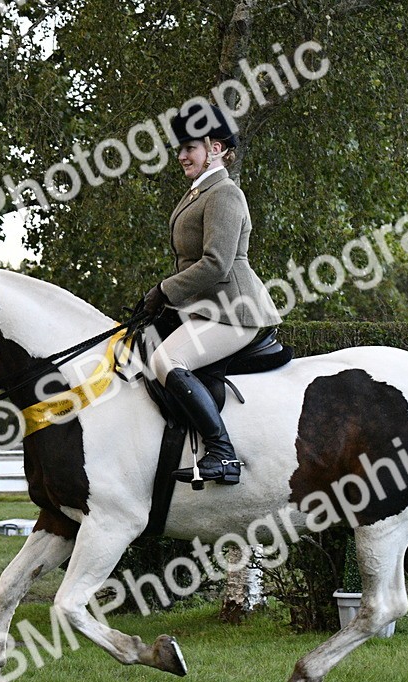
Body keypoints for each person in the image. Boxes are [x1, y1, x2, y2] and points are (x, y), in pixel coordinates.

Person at [141, 103, 282, 487]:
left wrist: (165, 290)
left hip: (235, 311)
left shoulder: (224, 194)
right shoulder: (199, 192)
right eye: (180, 148)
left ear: (215, 148)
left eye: (190, 147)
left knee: (167, 360)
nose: (181, 155)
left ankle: (223, 453)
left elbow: (216, 264)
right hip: (206, 308)